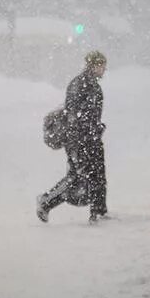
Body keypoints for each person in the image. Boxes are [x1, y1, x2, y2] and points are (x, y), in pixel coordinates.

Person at [37, 50, 109, 223]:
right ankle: (46, 202)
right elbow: (73, 116)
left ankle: (99, 212)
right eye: (101, 65)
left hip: (92, 138)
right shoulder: (79, 84)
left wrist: (96, 128)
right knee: (77, 177)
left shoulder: (94, 86)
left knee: (98, 174)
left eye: (104, 66)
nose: (104, 69)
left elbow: (91, 115)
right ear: (92, 65)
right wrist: (79, 139)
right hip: (78, 141)